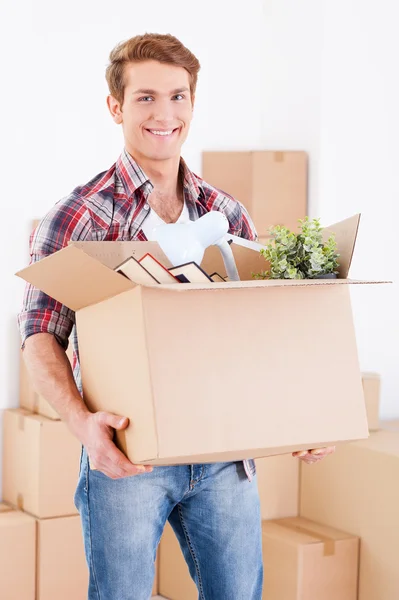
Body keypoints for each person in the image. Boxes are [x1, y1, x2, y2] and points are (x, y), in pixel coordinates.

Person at [18, 33, 335, 600]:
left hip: (224, 458)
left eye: (178, 96)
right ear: (115, 106)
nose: (165, 114)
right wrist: (81, 425)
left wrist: (306, 414)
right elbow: (40, 335)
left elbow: (263, 328)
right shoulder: (79, 216)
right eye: (145, 98)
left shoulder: (224, 211)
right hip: (127, 458)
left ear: (192, 103)